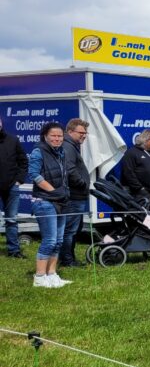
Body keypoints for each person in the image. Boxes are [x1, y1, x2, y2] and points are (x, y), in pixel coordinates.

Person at [29, 122, 72, 287]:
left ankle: (52, 274)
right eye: (53, 135)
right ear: (45, 136)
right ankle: (40, 278)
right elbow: (34, 174)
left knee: (59, 241)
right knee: (50, 240)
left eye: (60, 136)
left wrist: (62, 194)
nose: (57, 139)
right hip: (45, 201)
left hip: (60, 201)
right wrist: (53, 191)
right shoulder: (38, 151)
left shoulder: (61, 152)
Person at [59, 118, 90, 269]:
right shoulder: (68, 146)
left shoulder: (72, 145)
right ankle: (67, 260)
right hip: (73, 196)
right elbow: (69, 170)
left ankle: (69, 258)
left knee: (74, 229)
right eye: (81, 133)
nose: (84, 135)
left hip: (77, 195)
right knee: (70, 230)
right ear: (70, 131)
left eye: (86, 133)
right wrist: (82, 183)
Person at [0, 114, 28, 258]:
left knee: (12, 220)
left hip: (11, 187)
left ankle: (14, 251)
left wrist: (19, 180)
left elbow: (23, 162)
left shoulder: (12, 140)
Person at [121, 129, 150, 210]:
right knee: (143, 218)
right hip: (142, 194)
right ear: (146, 139)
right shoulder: (132, 153)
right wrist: (140, 188)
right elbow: (128, 172)